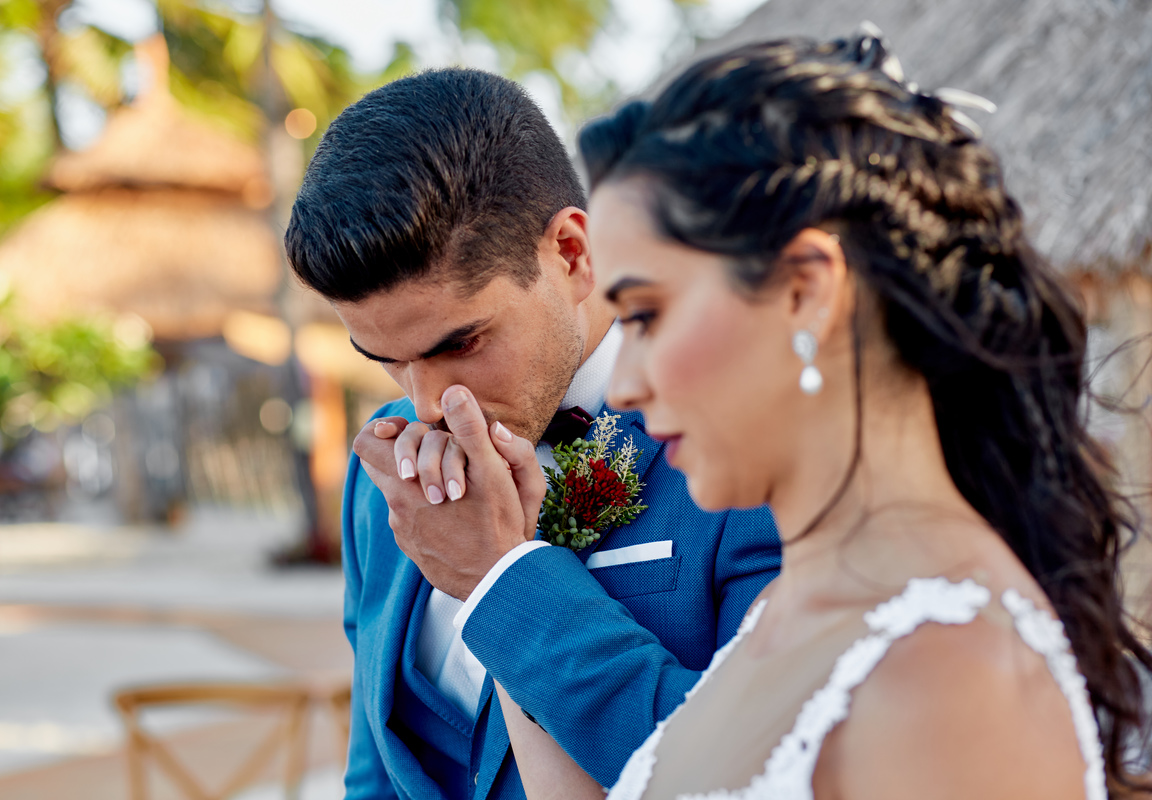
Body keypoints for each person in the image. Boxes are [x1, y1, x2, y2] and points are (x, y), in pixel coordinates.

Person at [464, 32, 1152, 800]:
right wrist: (504, 564)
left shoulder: (950, 669)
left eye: (648, 316)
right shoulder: (787, 618)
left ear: (807, 290)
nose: (621, 388)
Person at [283, 67, 781, 800]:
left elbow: (755, 769)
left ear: (572, 254)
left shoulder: (748, 444)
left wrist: (501, 578)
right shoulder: (383, 467)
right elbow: (376, 767)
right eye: (388, 361)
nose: (426, 407)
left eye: (461, 343)